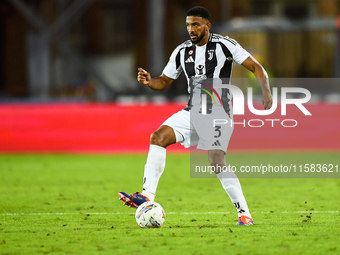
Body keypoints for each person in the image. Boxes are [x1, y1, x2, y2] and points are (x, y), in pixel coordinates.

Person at [118, 6, 272, 225]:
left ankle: (244, 214)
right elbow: (164, 81)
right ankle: (147, 197)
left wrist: (266, 92)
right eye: (188, 24)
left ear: (207, 26)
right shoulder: (182, 51)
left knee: (216, 161)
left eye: (196, 24)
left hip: (219, 112)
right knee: (157, 137)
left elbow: (256, 67)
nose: (191, 29)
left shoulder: (224, 44)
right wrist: (149, 81)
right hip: (192, 111)